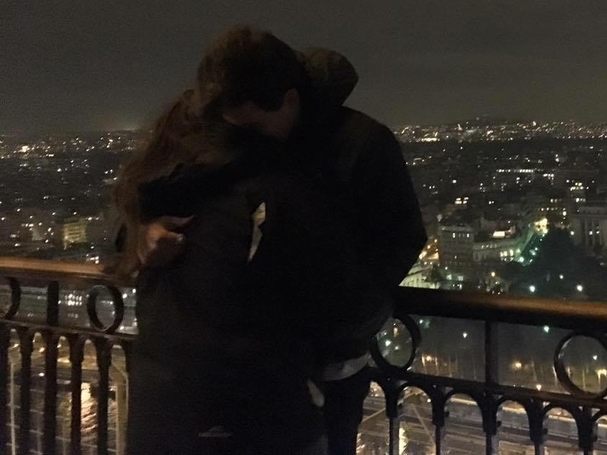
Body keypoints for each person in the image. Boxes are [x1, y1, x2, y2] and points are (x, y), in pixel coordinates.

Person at [138, 26, 426, 455]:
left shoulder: (361, 144)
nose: (243, 139)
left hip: (325, 365)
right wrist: (143, 233)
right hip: (254, 376)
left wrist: (340, 325)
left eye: (253, 127)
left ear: (290, 99)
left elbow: (399, 242)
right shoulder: (241, 133)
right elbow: (172, 199)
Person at [115, 90, 380, 455]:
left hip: (162, 417)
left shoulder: (153, 210)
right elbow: (332, 300)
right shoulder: (268, 198)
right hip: (264, 417)